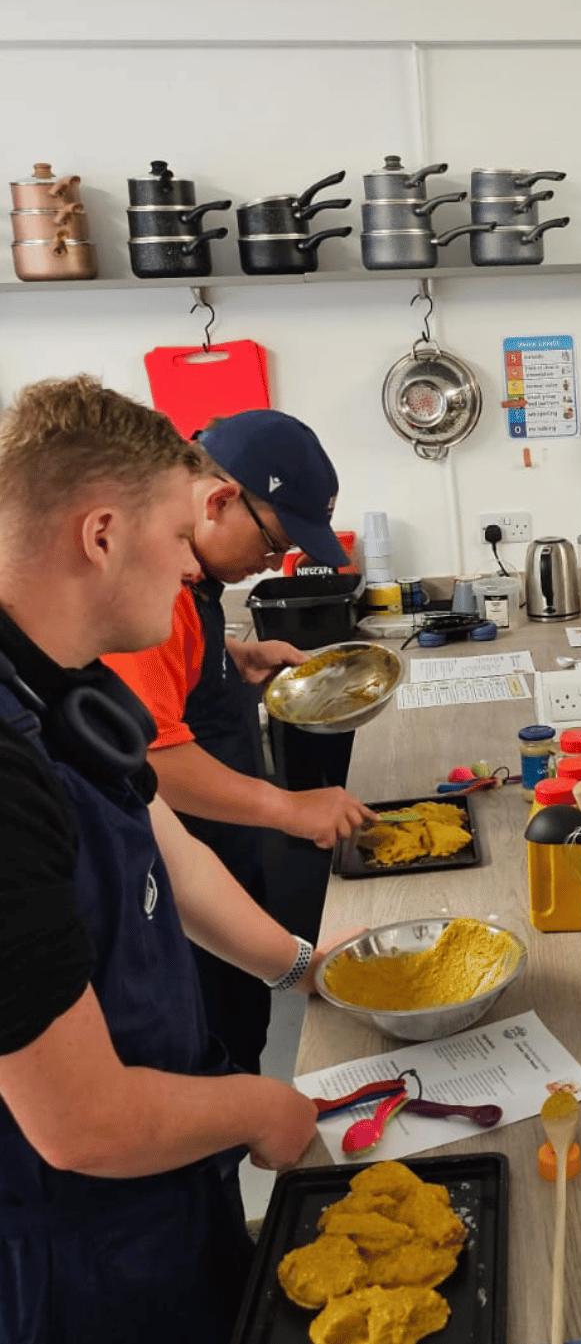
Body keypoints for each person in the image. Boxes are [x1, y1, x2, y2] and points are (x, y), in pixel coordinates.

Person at [0, 376, 355, 1342]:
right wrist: (253, 1106)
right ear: (101, 533)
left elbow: (169, 850)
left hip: (166, 1184)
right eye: (172, 536)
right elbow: (81, 1122)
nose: (192, 571)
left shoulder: (65, 685)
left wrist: (304, 966)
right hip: (72, 1247)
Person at [102, 408, 371, 1076]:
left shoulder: (194, 586)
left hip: (217, 865)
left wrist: (234, 657)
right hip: (175, 898)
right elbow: (156, 761)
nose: (270, 563)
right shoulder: (158, 592)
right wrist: (289, 806)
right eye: (275, 543)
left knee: (242, 1024)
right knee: (216, 1047)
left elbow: (170, 678)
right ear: (221, 501)